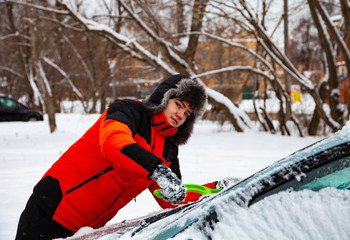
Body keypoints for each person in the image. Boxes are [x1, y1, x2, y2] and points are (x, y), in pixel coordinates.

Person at [15, 74, 239, 240]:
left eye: (188, 113)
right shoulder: (129, 111)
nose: (181, 114)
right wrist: (157, 169)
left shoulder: (169, 148)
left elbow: (169, 197)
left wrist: (214, 189)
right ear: (164, 97)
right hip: (50, 210)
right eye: (178, 104)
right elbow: (113, 143)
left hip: (87, 231)